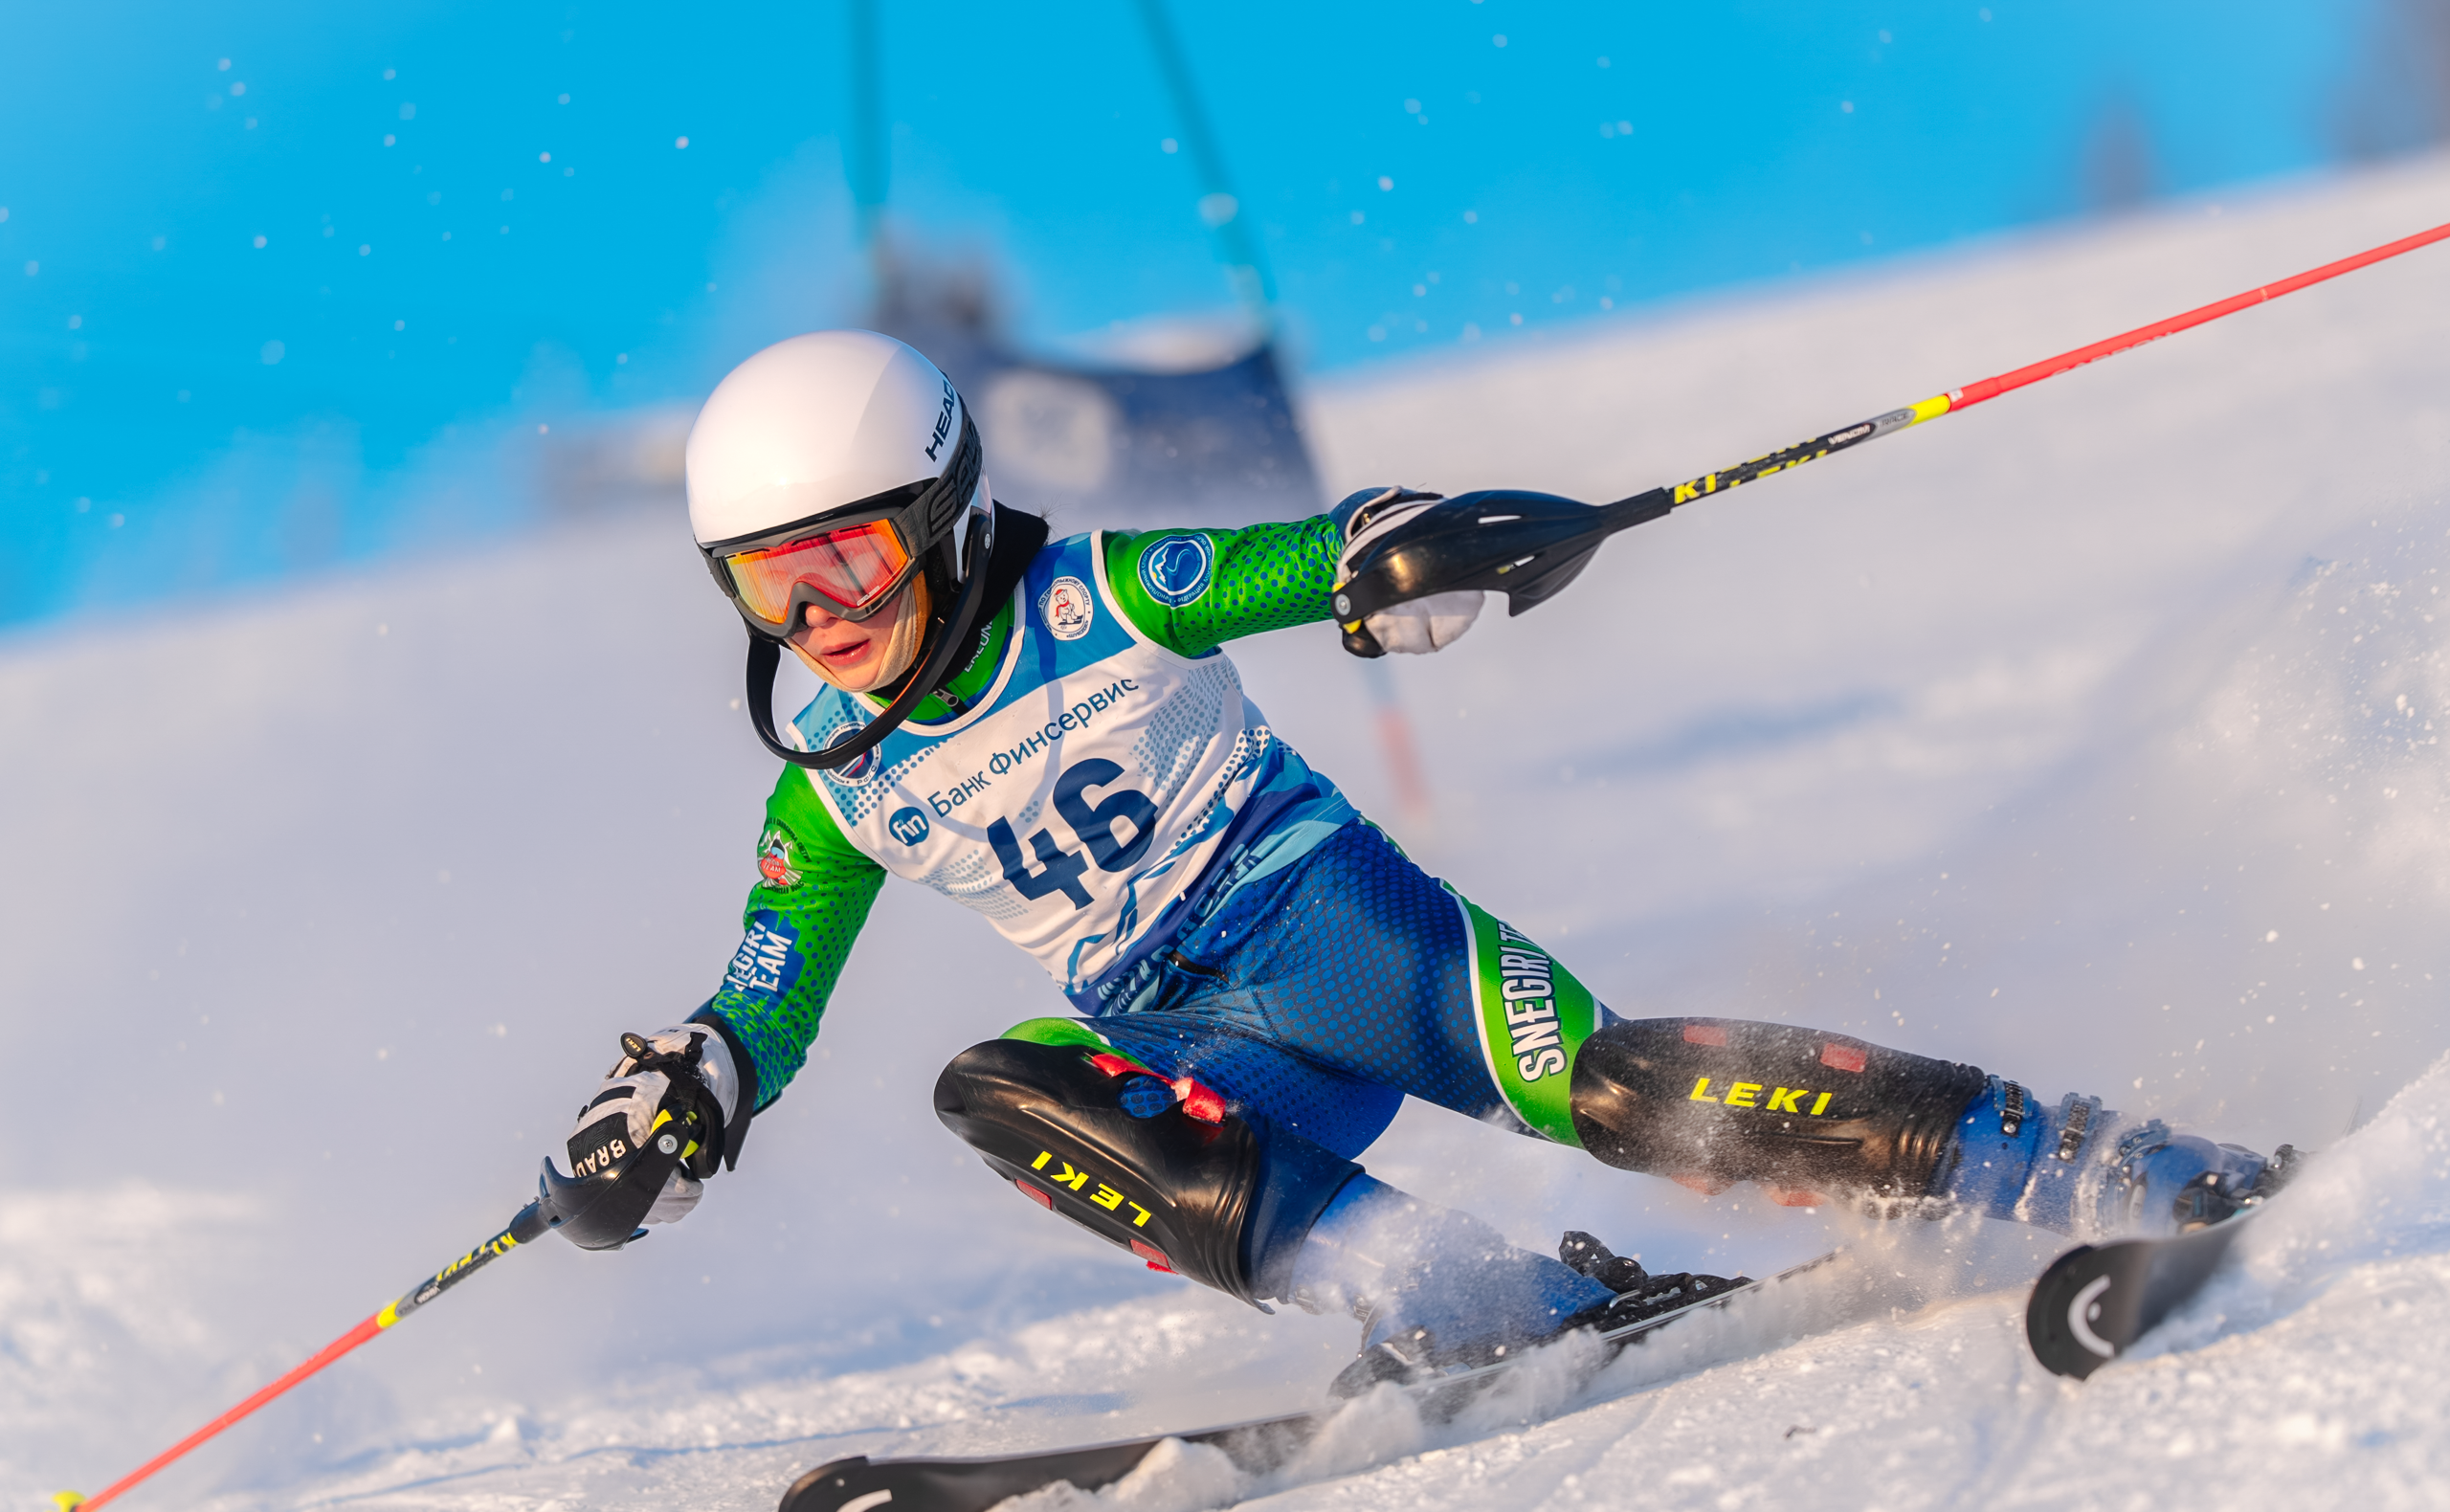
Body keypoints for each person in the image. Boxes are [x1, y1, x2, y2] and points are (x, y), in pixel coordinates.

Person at [541, 329, 2287, 1394]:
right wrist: (686, 1092)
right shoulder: (833, 787)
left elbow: (1299, 560)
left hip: (1345, 936)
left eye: (847, 561)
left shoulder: (1100, 596)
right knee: (997, 1089)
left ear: (941, 513)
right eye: (770, 587)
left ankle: (2071, 1157)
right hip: (1196, 1053)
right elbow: (765, 1001)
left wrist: (1400, 558)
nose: (821, 619)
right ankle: (1463, 1298)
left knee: (1618, 1092)